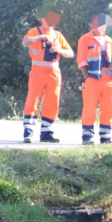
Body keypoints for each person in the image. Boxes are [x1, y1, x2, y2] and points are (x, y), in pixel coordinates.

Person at [21, 10, 74, 143]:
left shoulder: (58, 35)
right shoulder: (34, 31)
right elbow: (25, 42)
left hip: (54, 73)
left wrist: (59, 50)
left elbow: (71, 53)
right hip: (37, 72)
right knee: (32, 101)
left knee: (52, 102)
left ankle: (46, 133)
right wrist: (41, 38)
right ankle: (28, 132)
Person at [76, 14, 112, 145]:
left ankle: (106, 137)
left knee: (109, 108)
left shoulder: (109, 40)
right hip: (93, 79)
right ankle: (87, 137)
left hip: (109, 79)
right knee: (89, 108)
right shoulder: (85, 39)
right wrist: (88, 79)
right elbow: (82, 61)